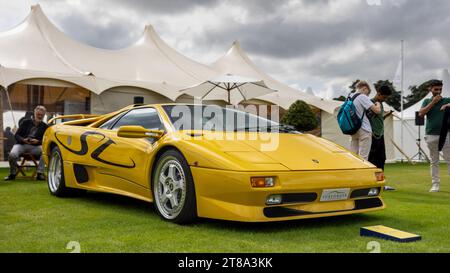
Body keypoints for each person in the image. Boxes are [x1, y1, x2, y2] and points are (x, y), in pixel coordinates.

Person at [418, 80, 450, 192]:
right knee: (434, 161)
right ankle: (435, 185)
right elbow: (421, 114)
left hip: (446, 134)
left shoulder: (446, 99)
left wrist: (447, 104)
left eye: (440, 89)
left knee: (449, 159)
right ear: (430, 89)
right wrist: (433, 103)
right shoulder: (426, 101)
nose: (438, 91)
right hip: (431, 135)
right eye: (436, 89)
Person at [4, 106, 49, 181]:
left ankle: (40, 173)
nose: (40, 115)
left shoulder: (45, 126)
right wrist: (23, 140)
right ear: (35, 113)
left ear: (44, 115)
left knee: (44, 152)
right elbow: (16, 135)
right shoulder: (25, 122)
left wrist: (38, 141)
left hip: (35, 147)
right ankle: (12, 174)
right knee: (12, 155)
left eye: (42, 114)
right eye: (38, 113)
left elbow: (46, 140)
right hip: (21, 144)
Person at [350, 81, 382, 160]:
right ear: (364, 88)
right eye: (367, 93)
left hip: (353, 129)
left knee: (353, 156)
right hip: (364, 129)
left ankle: (354, 172)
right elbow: (377, 110)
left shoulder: (349, 96)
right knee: (363, 158)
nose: (367, 96)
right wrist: (378, 104)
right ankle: (362, 172)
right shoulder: (362, 96)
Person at [368, 85, 393, 170]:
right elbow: (368, 118)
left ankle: (380, 178)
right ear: (378, 94)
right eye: (384, 97)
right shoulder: (370, 103)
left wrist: (386, 115)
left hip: (380, 135)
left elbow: (379, 118)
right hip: (372, 135)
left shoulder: (380, 104)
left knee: (381, 158)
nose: (385, 99)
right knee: (372, 159)